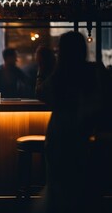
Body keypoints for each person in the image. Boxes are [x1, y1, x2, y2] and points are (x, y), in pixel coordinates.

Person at [36, 31, 112, 213]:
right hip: (85, 138)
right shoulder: (95, 70)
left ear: (61, 51)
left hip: (59, 135)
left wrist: (42, 67)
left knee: (58, 188)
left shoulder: (59, 74)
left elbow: (41, 93)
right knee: (85, 189)